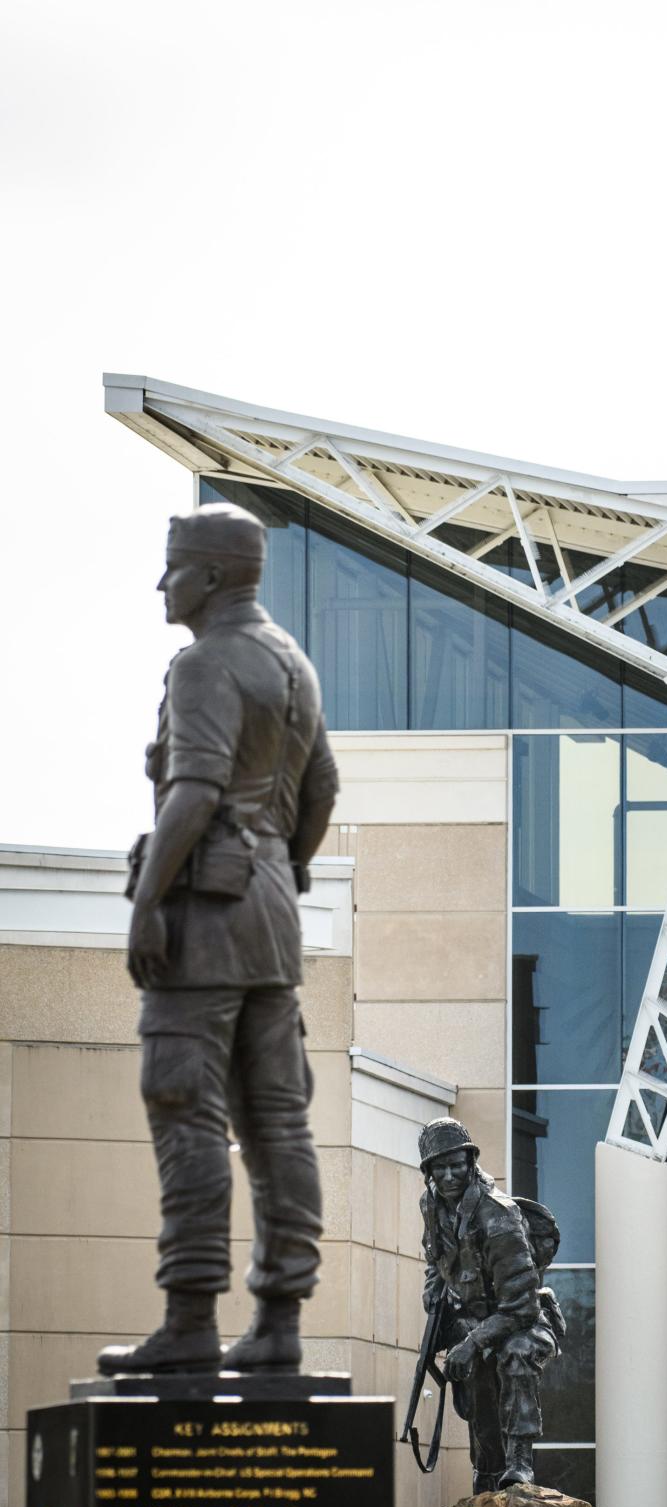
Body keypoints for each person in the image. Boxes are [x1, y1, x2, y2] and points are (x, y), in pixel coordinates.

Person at [98, 502, 339, 1376]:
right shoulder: (293, 664)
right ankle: (280, 1321)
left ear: (211, 575)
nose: (163, 584)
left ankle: (191, 1316)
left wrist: (147, 901)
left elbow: (193, 792)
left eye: (174, 567)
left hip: (204, 916)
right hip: (273, 916)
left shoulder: (203, 663)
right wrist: (286, 867)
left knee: (184, 1107)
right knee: (277, 1120)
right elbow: (322, 790)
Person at [418, 1118, 562, 1490]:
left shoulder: (498, 1214)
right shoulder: (431, 1205)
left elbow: (522, 1306)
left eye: (456, 1165)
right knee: (476, 1381)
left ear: (470, 1162)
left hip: (522, 1321)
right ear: (429, 1172)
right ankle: (488, 1470)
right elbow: (435, 1257)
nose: (449, 1175)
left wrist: (473, 1342)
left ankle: (519, 1464)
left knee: (515, 1355)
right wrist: (433, 1292)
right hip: (473, 1322)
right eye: (439, 1167)